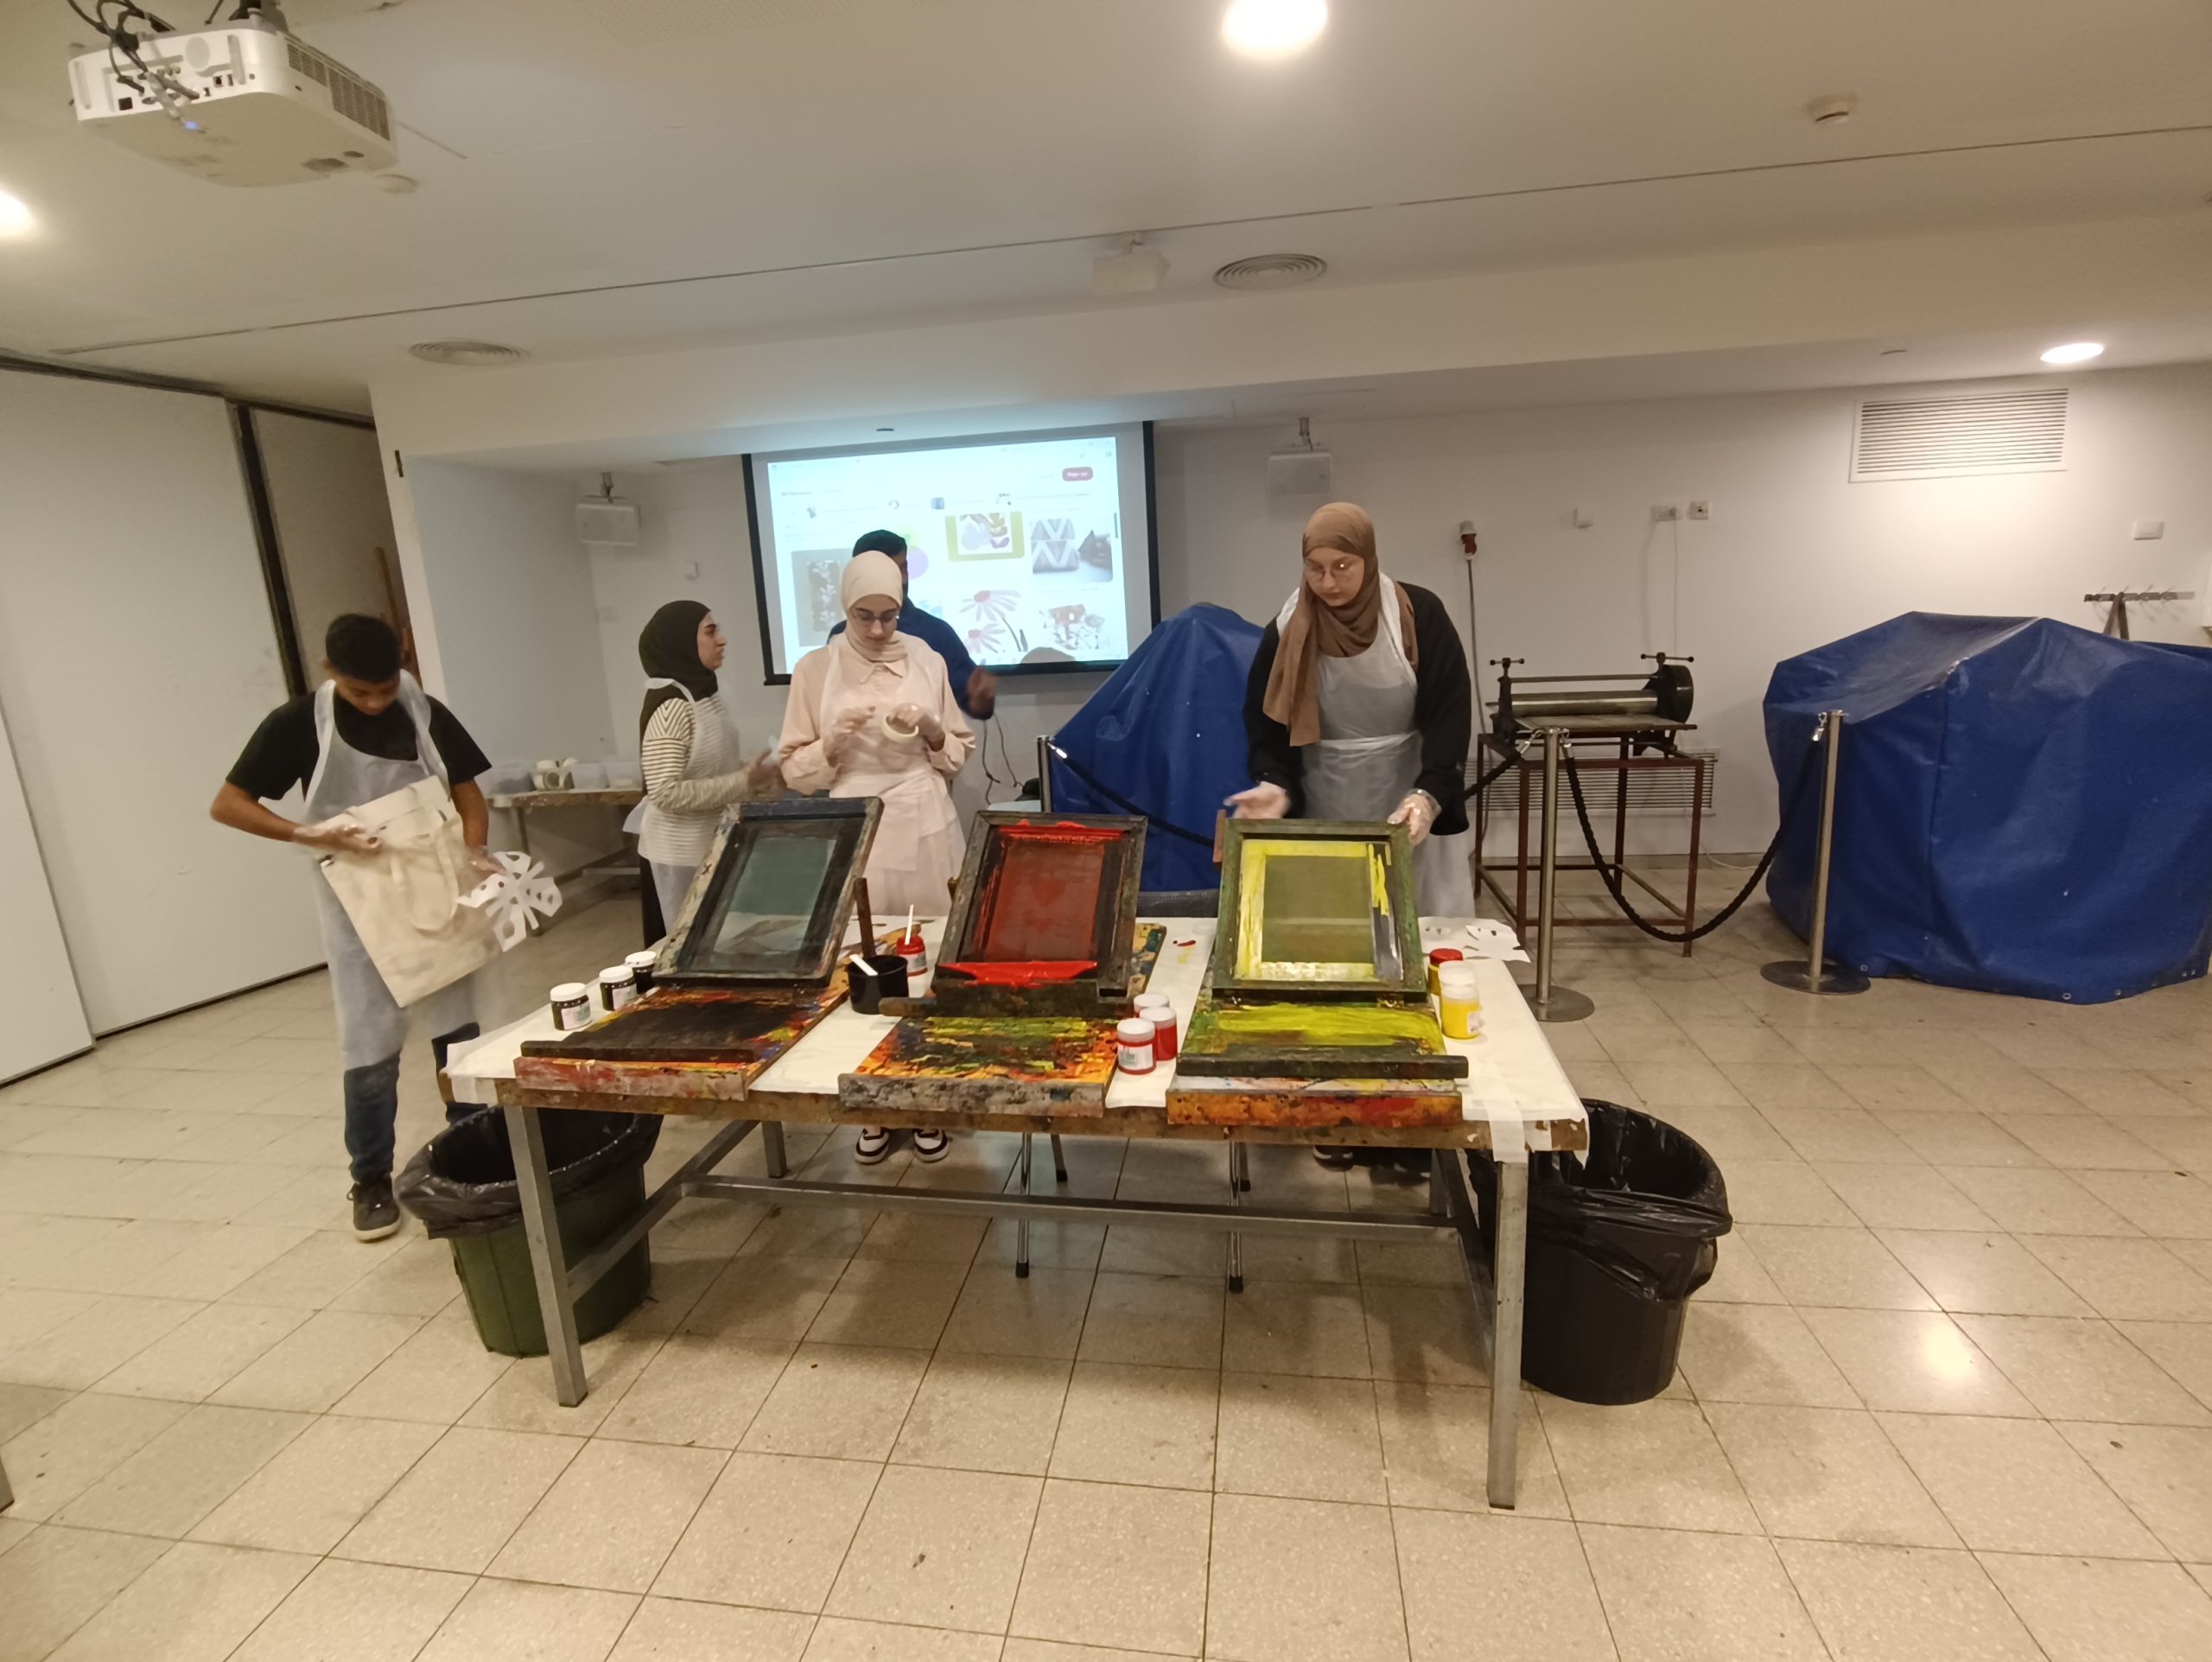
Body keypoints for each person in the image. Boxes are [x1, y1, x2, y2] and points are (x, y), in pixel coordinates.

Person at [212, 614, 497, 1240]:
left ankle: (474, 1149)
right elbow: (229, 803)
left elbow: (468, 793)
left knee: (458, 1031)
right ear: (330, 672)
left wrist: (475, 852)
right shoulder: (298, 723)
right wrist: (309, 832)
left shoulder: (424, 712)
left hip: (436, 891)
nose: (374, 702)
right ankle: (370, 1179)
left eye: (385, 689)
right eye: (359, 691)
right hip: (357, 905)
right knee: (370, 1042)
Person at [1228, 504, 1476, 1169]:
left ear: (1369, 559)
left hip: (1409, 809)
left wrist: (1429, 793)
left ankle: (1420, 1120)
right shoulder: (1288, 626)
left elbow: (1451, 712)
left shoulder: (1417, 615)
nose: (1329, 582)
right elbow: (1264, 724)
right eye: (1315, 568)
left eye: (1342, 566)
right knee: (1336, 964)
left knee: (1414, 960)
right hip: (1327, 807)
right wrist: (1274, 784)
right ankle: (1338, 1111)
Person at [781, 549, 974, 1164]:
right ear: (845, 608)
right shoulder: (815, 669)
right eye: (864, 616)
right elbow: (793, 770)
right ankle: (872, 1104)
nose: (877, 629)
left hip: (924, 817)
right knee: (863, 963)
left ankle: (930, 1097)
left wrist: (934, 731)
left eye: (889, 615)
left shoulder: (927, 658)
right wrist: (829, 747)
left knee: (929, 958)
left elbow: (957, 753)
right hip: (857, 823)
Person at [635, 600, 782, 929]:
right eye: (710, 631)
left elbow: (715, 766)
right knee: (686, 944)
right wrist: (745, 781)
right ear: (682, 641)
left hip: (711, 843)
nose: (721, 640)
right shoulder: (672, 706)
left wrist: (762, 777)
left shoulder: (705, 695)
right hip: (678, 857)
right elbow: (665, 792)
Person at [830, 530, 999, 719]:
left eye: (904, 568)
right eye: (892, 572)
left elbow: (978, 708)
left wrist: (982, 697)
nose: (903, 579)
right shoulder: (840, 636)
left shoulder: (936, 633)